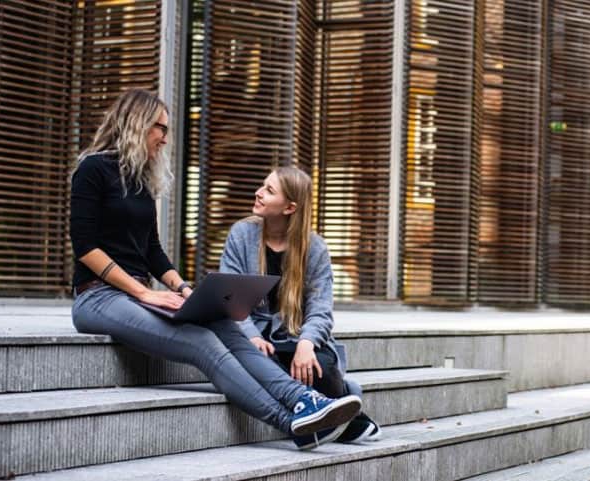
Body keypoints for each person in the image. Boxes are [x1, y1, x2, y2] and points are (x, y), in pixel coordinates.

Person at [69, 89, 361, 450]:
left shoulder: (140, 182)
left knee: (223, 322)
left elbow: (152, 251)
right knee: (202, 341)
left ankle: (304, 400)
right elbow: (85, 248)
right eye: (159, 127)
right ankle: (291, 423)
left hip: (138, 296)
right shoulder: (92, 169)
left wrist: (185, 291)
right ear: (136, 123)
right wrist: (144, 292)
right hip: (98, 298)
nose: (164, 136)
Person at [219, 166, 381, 448]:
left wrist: (307, 344)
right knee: (260, 364)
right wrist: (252, 336)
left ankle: (331, 410)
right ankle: (347, 416)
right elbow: (230, 296)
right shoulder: (241, 234)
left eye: (269, 191)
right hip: (254, 336)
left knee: (322, 365)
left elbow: (321, 309)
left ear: (289, 207)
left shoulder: (314, 247)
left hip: (294, 336)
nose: (258, 193)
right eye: (262, 185)